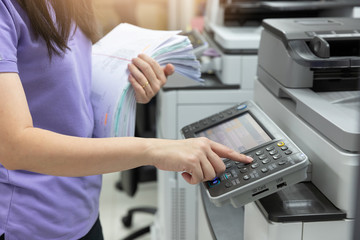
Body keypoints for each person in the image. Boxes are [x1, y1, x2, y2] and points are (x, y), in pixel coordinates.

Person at [0, 0, 252, 239]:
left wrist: (128, 86)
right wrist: (155, 148)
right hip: (28, 221)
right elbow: (14, 147)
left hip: (79, 208)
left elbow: (67, 89)